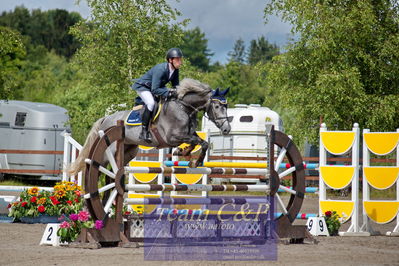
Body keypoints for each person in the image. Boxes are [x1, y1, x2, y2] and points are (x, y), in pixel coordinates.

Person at [132, 48, 183, 143]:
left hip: (156, 88)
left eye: (180, 59)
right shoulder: (161, 69)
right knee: (151, 103)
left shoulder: (175, 70)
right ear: (170, 60)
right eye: (178, 59)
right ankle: (144, 132)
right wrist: (169, 93)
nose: (180, 62)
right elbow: (154, 89)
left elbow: (176, 86)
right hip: (144, 87)